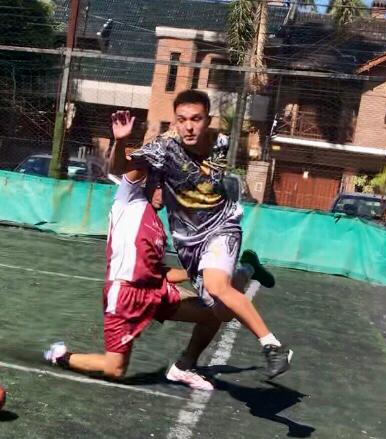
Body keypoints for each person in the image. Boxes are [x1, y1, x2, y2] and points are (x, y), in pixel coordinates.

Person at [43, 140, 273, 390]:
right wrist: (122, 140)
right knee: (115, 369)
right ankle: (60, 355)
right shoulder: (128, 199)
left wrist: (195, 271)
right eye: (166, 188)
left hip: (154, 291)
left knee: (214, 312)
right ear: (152, 183)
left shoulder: (158, 225)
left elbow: (158, 272)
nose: (170, 195)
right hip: (125, 295)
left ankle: (183, 367)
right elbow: (127, 167)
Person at [107, 90, 291, 379]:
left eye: (196, 119)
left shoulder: (221, 143)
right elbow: (120, 169)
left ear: (208, 120)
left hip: (222, 226)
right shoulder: (163, 148)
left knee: (217, 286)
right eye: (182, 120)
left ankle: (272, 346)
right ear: (174, 122)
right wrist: (120, 141)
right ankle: (248, 268)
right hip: (189, 242)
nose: (189, 127)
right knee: (221, 311)